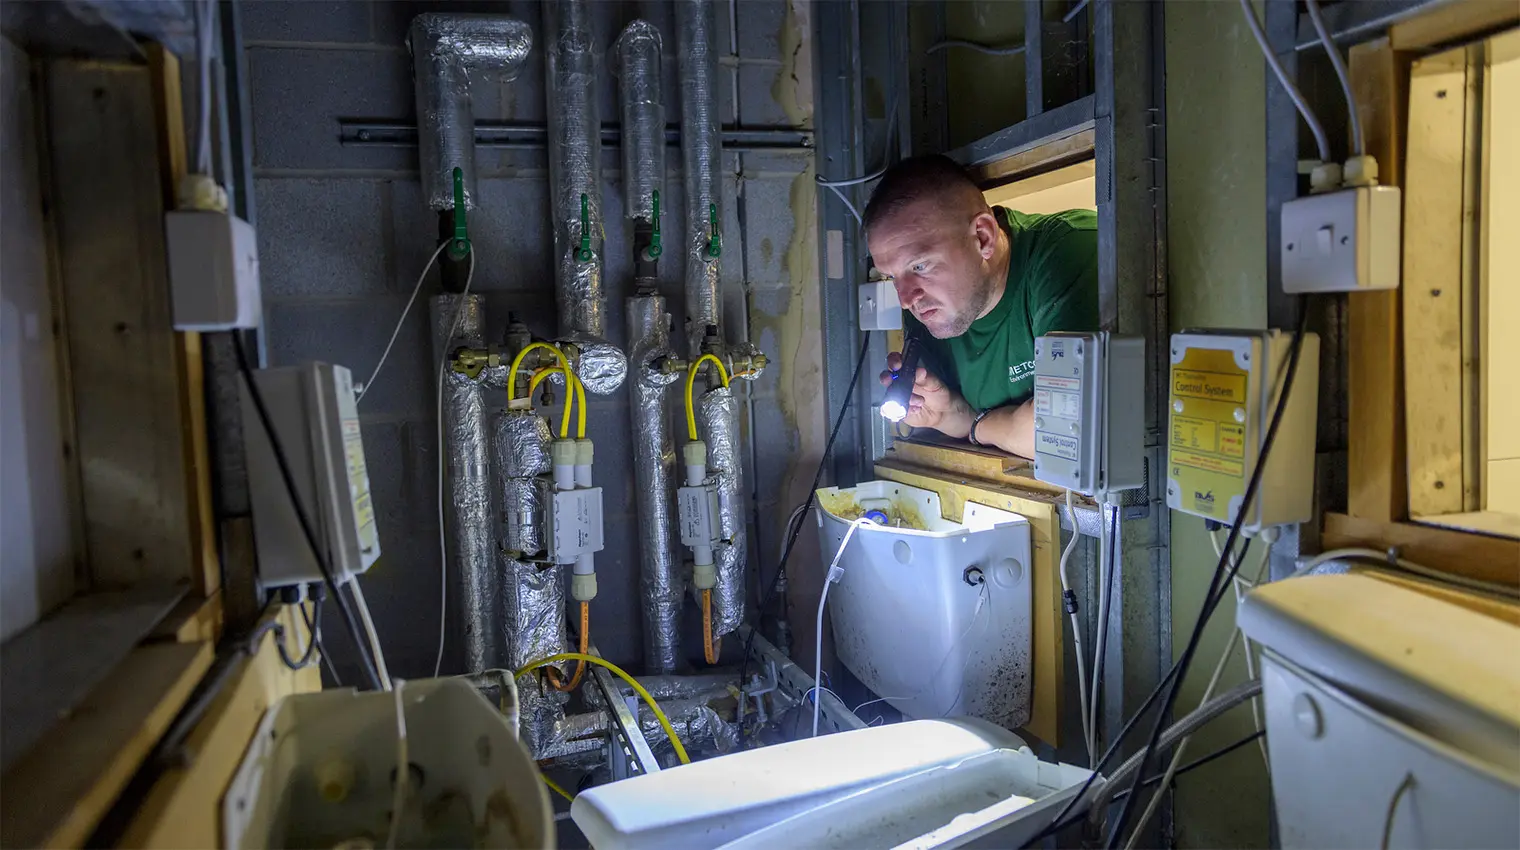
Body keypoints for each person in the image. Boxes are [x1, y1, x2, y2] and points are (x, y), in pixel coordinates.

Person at [866, 154, 1098, 458]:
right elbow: (962, 419)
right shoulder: (932, 312)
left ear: (982, 237)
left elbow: (1068, 435)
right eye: (892, 277)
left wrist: (976, 427)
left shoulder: (1068, 251)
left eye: (920, 266)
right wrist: (949, 414)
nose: (906, 299)